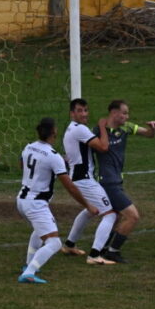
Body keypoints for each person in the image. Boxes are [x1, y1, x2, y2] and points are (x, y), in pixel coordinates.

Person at [17, 117, 99, 284]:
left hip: (21, 200)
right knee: (54, 243)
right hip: (36, 204)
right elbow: (70, 187)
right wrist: (87, 205)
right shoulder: (53, 157)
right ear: (54, 132)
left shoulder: (28, 147)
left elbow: (22, 164)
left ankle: (28, 265)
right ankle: (29, 273)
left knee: (40, 232)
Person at [93, 99, 155, 264]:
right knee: (133, 216)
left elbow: (149, 135)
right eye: (124, 113)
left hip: (116, 180)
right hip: (107, 182)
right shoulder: (98, 130)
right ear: (114, 113)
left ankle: (102, 248)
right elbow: (102, 148)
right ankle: (113, 251)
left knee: (114, 217)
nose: (126, 116)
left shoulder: (126, 127)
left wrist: (153, 128)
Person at [61, 98, 117, 265]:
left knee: (90, 210)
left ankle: (70, 245)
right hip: (84, 180)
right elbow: (103, 147)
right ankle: (94, 254)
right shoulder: (80, 129)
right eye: (80, 111)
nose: (84, 114)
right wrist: (102, 127)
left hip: (78, 177)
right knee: (110, 214)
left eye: (86, 110)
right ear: (72, 113)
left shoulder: (71, 129)